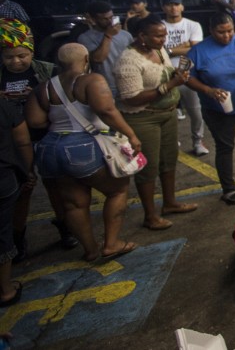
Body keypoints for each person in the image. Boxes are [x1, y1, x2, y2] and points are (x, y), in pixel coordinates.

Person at [25, 43, 141, 262]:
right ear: (86, 59)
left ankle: (90, 250)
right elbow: (107, 110)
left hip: (51, 148)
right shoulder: (91, 80)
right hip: (82, 146)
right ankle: (112, 243)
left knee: (73, 203)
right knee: (117, 191)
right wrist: (131, 135)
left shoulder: (44, 88)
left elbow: (36, 121)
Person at [0, 19, 76, 258]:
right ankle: (17, 240)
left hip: (46, 137)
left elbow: (66, 101)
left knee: (56, 185)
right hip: (12, 145)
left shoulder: (47, 70)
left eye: (21, 56)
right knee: (23, 190)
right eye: (9, 57)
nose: (16, 61)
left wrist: (38, 94)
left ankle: (66, 229)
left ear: (31, 51)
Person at [115, 16, 198, 231]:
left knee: (168, 160)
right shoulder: (128, 60)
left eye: (165, 34)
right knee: (148, 167)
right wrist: (170, 84)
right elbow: (130, 98)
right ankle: (150, 216)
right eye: (159, 35)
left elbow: (165, 73)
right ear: (142, 36)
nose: (164, 39)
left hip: (167, 114)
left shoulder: (159, 50)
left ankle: (170, 203)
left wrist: (176, 74)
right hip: (143, 118)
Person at [185, 13, 235, 205]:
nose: (227, 36)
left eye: (230, 30)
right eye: (221, 32)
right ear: (211, 30)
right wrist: (207, 90)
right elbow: (186, 77)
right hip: (217, 109)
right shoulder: (197, 51)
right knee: (224, 147)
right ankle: (228, 190)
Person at [161, 0, 208, 156]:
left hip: (190, 75)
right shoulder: (159, 26)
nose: (173, 8)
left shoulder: (192, 25)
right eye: (169, 4)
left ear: (182, 7)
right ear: (163, 8)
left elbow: (195, 49)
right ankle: (172, 142)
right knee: (169, 113)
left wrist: (169, 50)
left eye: (176, 4)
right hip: (166, 75)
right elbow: (157, 50)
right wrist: (184, 45)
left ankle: (198, 141)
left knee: (196, 112)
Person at [0, 97, 32, 306]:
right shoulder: (4, 105)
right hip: (3, 178)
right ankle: (5, 289)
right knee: (2, 231)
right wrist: (27, 172)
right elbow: (22, 141)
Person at [77, 0, 132, 99]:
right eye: (105, 19)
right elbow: (98, 58)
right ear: (94, 19)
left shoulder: (125, 35)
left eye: (111, 17)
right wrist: (108, 36)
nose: (110, 21)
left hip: (127, 83)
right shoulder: (86, 38)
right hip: (106, 85)